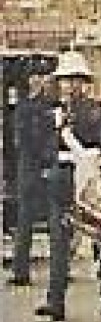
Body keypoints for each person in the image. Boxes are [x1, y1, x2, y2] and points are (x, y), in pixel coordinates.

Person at [36, 51, 101, 322]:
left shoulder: (97, 111)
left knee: (98, 235)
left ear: (85, 83)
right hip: (62, 176)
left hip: (89, 176)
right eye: (66, 81)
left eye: (75, 81)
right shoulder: (53, 114)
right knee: (59, 241)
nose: (70, 87)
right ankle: (55, 301)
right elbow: (44, 146)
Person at [9, 69, 58, 288]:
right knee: (28, 220)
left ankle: (25, 270)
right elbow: (27, 139)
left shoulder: (32, 108)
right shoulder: (36, 108)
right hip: (32, 168)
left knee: (36, 220)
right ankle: (21, 270)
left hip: (33, 168)